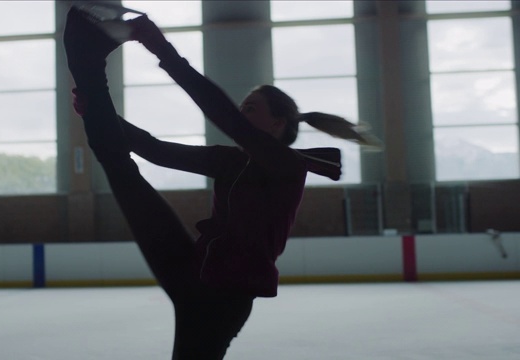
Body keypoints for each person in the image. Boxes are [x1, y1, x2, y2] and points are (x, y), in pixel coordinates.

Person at [63, 7, 341, 360]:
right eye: (243, 107)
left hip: (224, 297)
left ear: (277, 124)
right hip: (195, 270)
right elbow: (156, 150)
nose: (242, 114)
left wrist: (164, 52)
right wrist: (98, 111)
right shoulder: (233, 161)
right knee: (117, 163)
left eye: (251, 108)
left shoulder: (287, 166)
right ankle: (89, 63)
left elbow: (222, 115)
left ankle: (88, 57)